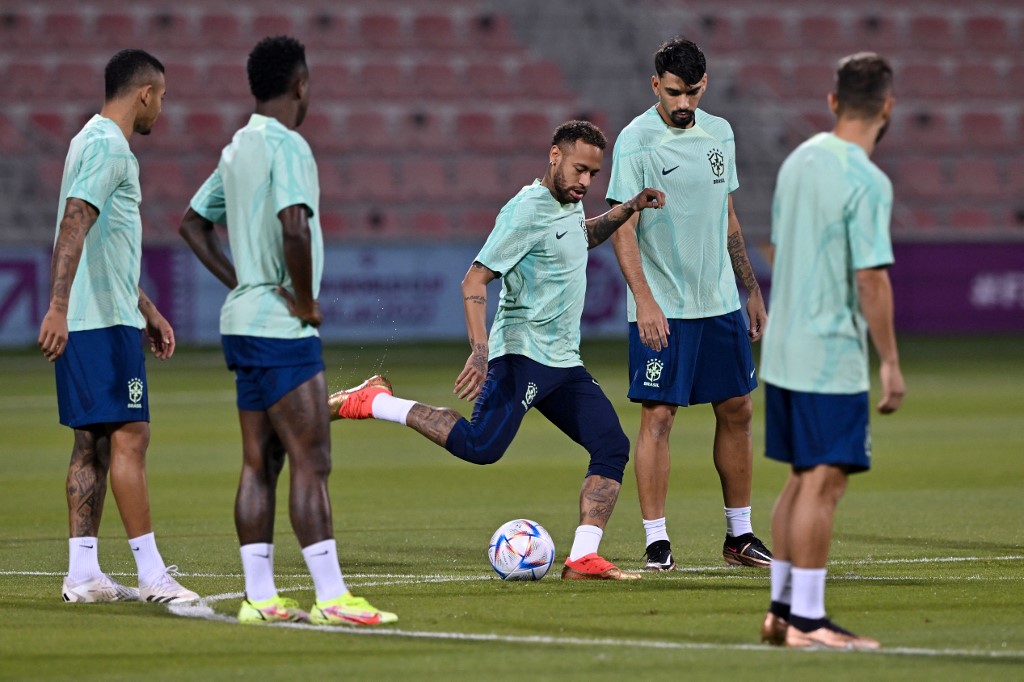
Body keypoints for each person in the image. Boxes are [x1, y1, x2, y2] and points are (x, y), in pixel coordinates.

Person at [330, 120, 665, 581]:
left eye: (593, 173)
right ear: (554, 156)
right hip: (522, 353)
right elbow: (474, 279)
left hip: (563, 361)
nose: (586, 182)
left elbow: (580, 235)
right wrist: (480, 349)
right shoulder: (525, 210)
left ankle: (583, 557)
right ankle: (375, 401)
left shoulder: (568, 203)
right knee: (481, 447)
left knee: (611, 445)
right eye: (579, 170)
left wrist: (628, 208)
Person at [178, 36, 396, 626]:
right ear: (300, 85)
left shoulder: (236, 149)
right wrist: (302, 300)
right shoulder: (288, 144)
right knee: (311, 458)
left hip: (242, 324)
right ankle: (332, 598)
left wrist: (246, 281)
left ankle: (260, 598)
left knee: (259, 462)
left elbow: (192, 224)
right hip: (280, 329)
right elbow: (294, 226)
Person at [37, 49, 198, 604]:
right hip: (100, 324)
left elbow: (104, 246)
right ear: (144, 94)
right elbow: (74, 223)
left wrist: (146, 307)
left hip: (99, 315)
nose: (162, 108)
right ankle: (153, 576)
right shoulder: (111, 148)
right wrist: (56, 307)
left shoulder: (85, 140)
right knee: (132, 435)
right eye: (162, 97)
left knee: (93, 443)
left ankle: (83, 573)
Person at [605, 37, 771, 571]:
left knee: (738, 409)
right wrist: (645, 302)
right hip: (665, 307)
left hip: (719, 302)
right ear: (656, 84)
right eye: (674, 92)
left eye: (693, 92)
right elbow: (622, 229)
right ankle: (657, 541)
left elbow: (727, 214)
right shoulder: (636, 141)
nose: (684, 103)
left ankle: (739, 536)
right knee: (658, 416)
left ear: (705, 85)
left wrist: (750, 288)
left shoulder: (720, 132)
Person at [759, 52, 903, 650]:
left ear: (833, 101)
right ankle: (809, 620)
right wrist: (889, 360)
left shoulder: (798, 161)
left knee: (800, 478)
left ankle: (780, 612)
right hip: (827, 351)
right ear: (887, 107)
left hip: (783, 348)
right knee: (825, 482)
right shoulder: (866, 180)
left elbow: (776, 245)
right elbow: (870, 278)